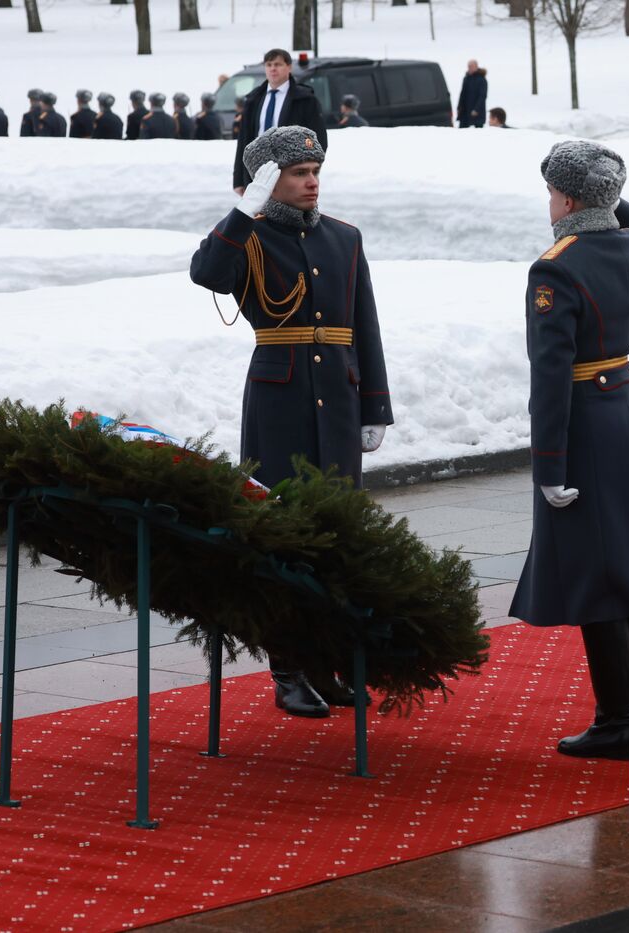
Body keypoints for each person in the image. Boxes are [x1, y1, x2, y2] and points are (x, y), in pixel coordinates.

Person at [190, 126, 394, 717]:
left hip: (338, 395)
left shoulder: (345, 238)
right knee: (283, 535)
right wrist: (241, 211)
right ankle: (288, 671)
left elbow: (365, 325)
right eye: (298, 173)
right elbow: (206, 274)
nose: (312, 181)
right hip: (279, 404)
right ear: (267, 181)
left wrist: (374, 405)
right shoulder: (247, 236)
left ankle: (327, 665)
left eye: (315, 171)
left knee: (335, 537)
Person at [510, 140, 629, 761]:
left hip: (583, 424)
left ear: (570, 199)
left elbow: (548, 376)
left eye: (555, 191)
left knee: (598, 574)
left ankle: (617, 723)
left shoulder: (556, 267)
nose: (548, 202)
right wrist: (608, 200)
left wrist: (548, 465)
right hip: (626, 413)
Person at [232, 49, 327, 195]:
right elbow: (244, 140)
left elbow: (318, 139)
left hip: (290, 173)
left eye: (278, 64)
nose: (273, 69)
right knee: (259, 216)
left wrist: (306, 171)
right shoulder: (254, 99)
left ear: (289, 67)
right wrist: (238, 179)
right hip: (258, 173)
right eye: (269, 65)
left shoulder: (305, 100)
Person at [457, 59, 488, 128]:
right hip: (465, 111)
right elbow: (462, 94)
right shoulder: (466, 78)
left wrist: (476, 109)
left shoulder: (482, 80)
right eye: (468, 66)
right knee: (462, 130)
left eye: (471, 66)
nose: (469, 68)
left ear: (476, 67)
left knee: (478, 131)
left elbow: (482, 96)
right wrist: (459, 107)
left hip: (477, 112)